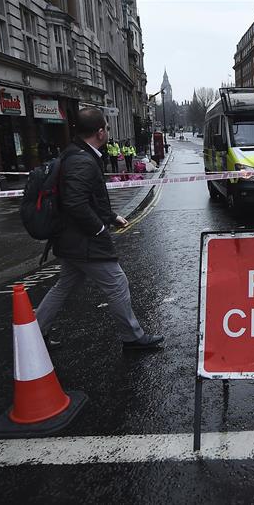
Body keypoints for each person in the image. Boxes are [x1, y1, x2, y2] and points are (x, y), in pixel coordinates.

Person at [35, 108, 164, 351]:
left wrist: (111, 216)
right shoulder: (82, 160)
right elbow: (75, 202)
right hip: (83, 240)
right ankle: (132, 337)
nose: (107, 131)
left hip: (71, 238)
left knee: (64, 285)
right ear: (100, 132)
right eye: (106, 127)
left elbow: (88, 197)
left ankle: (34, 332)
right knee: (117, 283)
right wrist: (98, 229)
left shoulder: (78, 153)